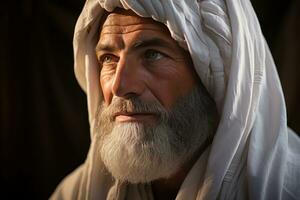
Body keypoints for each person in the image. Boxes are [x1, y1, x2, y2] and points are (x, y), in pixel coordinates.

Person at [51, 0, 300, 199]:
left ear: (215, 78)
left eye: (152, 54)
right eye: (108, 58)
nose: (120, 85)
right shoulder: (75, 193)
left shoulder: (288, 189)